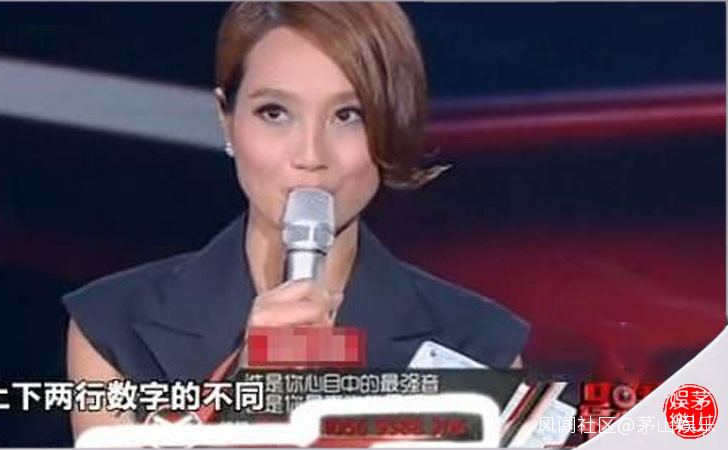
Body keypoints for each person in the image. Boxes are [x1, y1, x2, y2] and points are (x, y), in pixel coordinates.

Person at [63, 2, 529, 439]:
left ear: (393, 122)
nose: (310, 155)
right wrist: (245, 402)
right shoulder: (116, 326)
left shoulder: (476, 344)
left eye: (348, 115)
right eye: (275, 113)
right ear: (226, 118)